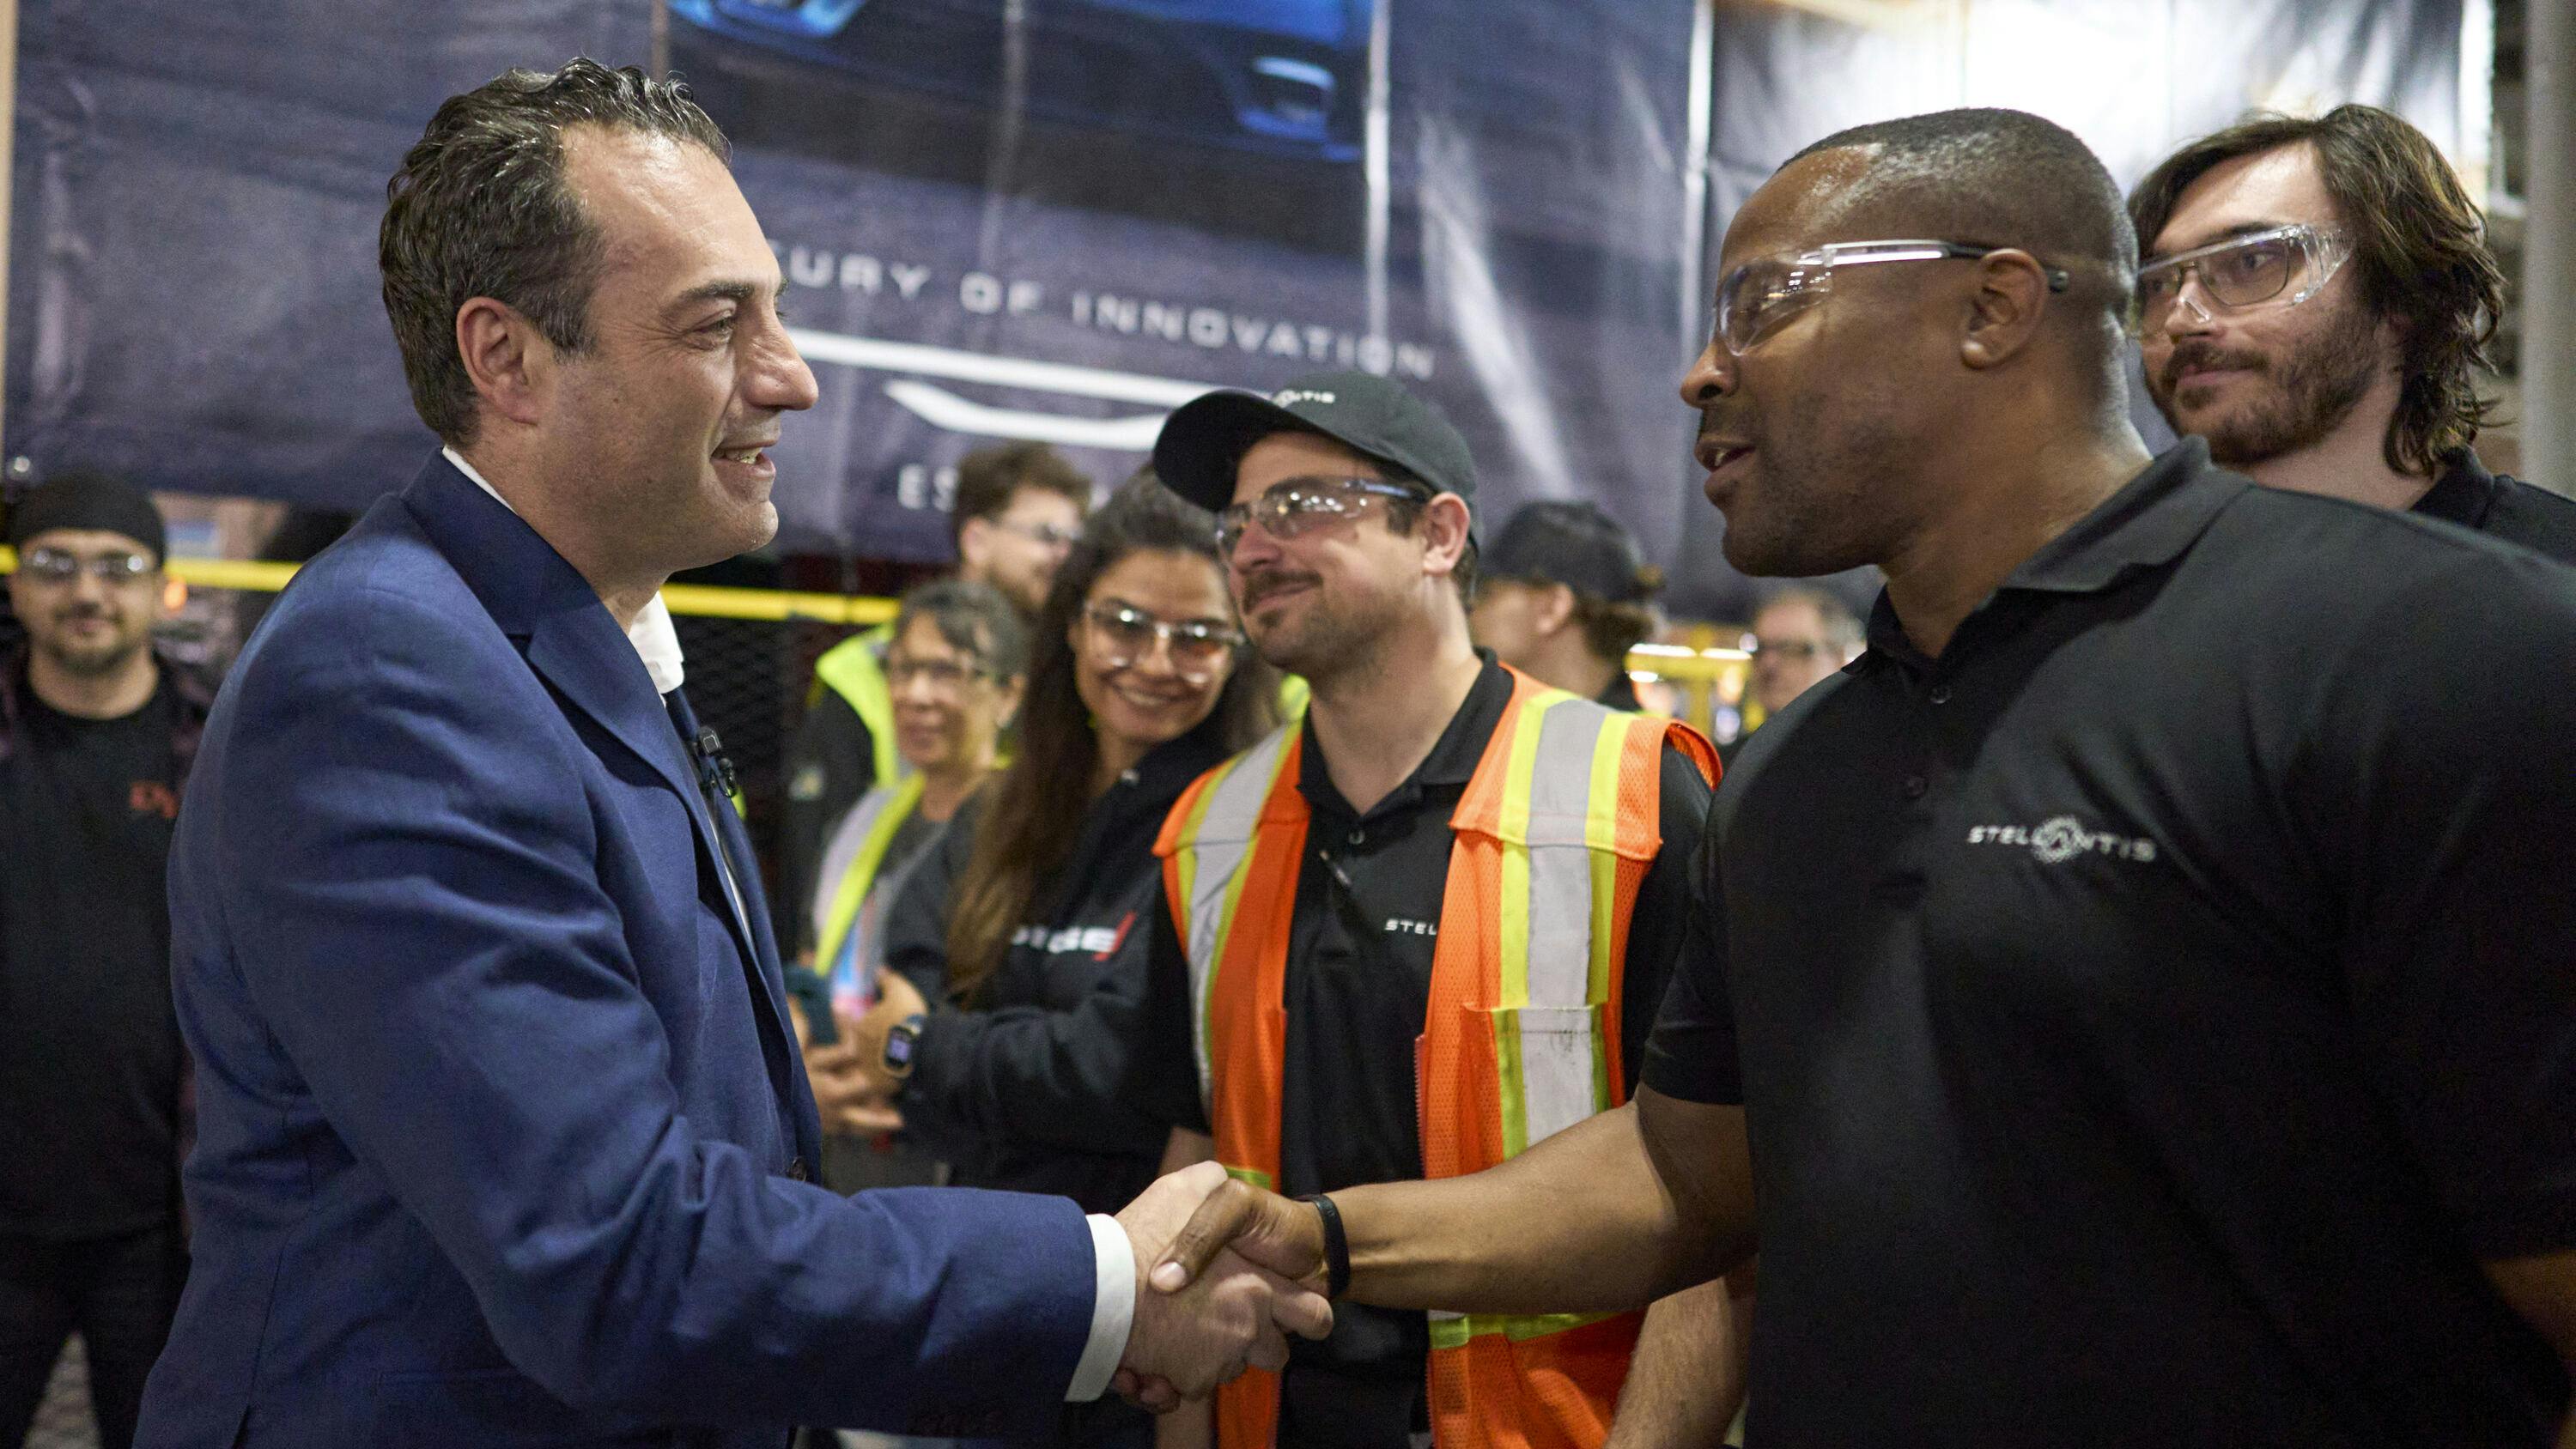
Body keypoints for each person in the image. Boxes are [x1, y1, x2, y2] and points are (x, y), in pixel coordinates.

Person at [1140, 108, 2576, 1449]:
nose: (1704, 369)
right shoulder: (1793, 770)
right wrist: (1322, 1236)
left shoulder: (2432, 651)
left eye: (1766, 300)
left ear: (1994, 308)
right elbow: (1684, 1174)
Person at [137, 59, 1325, 1448]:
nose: (793, 374)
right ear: (505, 356)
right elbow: (616, 1259)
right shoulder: (390, 679)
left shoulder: (556, 644)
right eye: (717, 323)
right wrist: (1106, 1283)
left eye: (777, 310)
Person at [1115, 372, 1721, 1449]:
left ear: (1438, 532)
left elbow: (1718, 1180)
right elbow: (1197, 1148)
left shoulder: (1636, 791)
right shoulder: (1211, 826)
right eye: (1240, 520)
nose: (1253, 545)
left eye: (1302, 505)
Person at [829, 477, 1279, 1448]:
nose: (1156, 661)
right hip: (974, 1289)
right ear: (1072, 625)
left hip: (1135, 1334)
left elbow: (1115, 1072)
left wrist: (921, 1047)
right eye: (1123, 621)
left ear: (1237, 654)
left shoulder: (1238, 825)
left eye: (1197, 635)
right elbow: (890, 979)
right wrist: (934, 1056)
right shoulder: (1005, 810)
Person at [2129, 104, 2576, 562]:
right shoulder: (2121, 582)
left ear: (2405, 292)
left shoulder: (2554, 583)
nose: (2179, 319)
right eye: (2158, 285)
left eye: (2252, 262)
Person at [0, 476, 209, 1449]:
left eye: (117, 566)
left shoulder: (219, 746)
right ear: (17, 583)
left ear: (163, 588)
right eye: (55, 563)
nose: (87, 589)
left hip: (162, 1219)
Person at [780, 442, 1095, 958]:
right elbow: (815, 870)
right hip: (866, 970)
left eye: (1072, 540)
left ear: (1006, 694)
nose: (1064, 556)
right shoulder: (859, 672)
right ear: (976, 539)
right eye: (1047, 536)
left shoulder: (1069, 677)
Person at [789, 578, 1027, 1194]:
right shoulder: (869, 815)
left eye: (946, 672)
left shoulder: (1024, 827)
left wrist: (899, 1058)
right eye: (901, 670)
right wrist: (801, 1072)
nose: (915, 695)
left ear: (1008, 695)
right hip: (839, 1128)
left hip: (947, 1144)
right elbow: (817, 956)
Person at [1467, 500, 1662, 710]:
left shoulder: (1633, 741)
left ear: (1551, 608)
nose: (1470, 609)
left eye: (1485, 592)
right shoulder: (1641, 737)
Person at [1716, 587, 1862, 766]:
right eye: (1760, 649)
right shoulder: (1725, 767)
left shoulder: (1867, 760)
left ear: (1838, 660)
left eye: (1792, 650)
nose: (1769, 664)